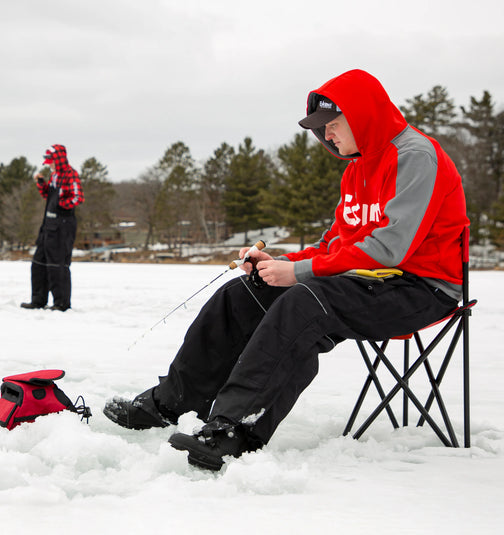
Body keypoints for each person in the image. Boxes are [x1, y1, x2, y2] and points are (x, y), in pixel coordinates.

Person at [103, 69, 469, 471]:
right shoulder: (356, 169)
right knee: (242, 294)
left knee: (303, 303)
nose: (327, 136)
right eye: (321, 129)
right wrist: (279, 263)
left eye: (332, 125)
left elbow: (389, 249)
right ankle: (170, 403)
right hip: (365, 281)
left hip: (422, 288)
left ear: (363, 114)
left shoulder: (415, 156)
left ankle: (234, 428)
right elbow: (335, 245)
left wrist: (301, 274)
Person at [21, 144, 84, 311]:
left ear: (59, 160)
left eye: (51, 161)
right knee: (38, 263)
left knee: (57, 265)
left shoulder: (71, 174)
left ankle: (61, 303)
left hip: (63, 228)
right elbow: (48, 196)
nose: (49, 165)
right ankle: (38, 300)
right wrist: (42, 184)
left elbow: (78, 197)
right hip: (47, 226)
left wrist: (64, 203)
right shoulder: (55, 176)